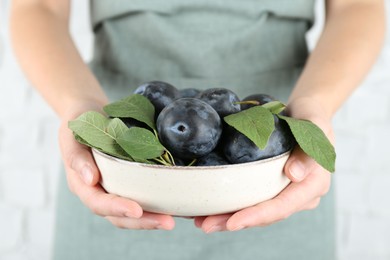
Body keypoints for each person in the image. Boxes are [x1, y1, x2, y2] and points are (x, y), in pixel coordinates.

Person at [10, 0, 385, 259]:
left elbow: (358, 6)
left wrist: (314, 109)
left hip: (276, 166)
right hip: (123, 164)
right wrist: (79, 110)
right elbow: (37, 7)